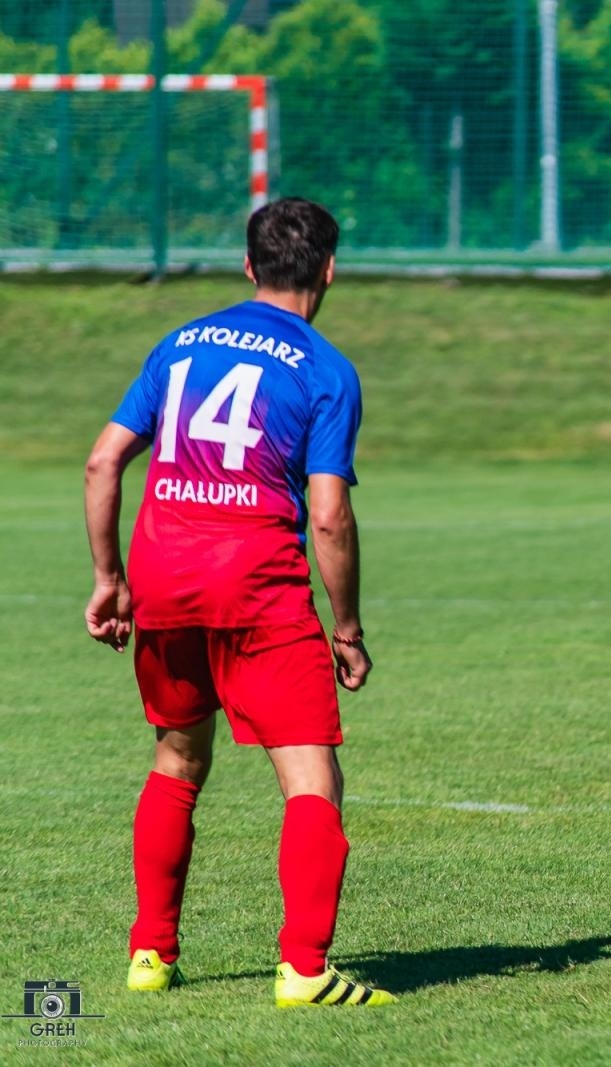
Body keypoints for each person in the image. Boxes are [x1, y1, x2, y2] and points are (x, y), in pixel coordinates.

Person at [83, 197, 394, 1008]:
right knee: (311, 780)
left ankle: (150, 953)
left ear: (249, 266)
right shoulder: (327, 370)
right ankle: (304, 968)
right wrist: (349, 627)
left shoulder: (179, 342)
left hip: (161, 580)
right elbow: (328, 513)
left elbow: (102, 463)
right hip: (258, 587)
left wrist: (109, 579)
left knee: (178, 762)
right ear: (330, 269)